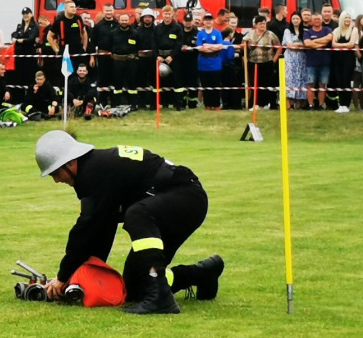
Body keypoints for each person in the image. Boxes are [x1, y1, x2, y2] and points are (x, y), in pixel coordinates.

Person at [34, 130, 223, 314]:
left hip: (186, 197)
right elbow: (101, 229)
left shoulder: (93, 172)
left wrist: (62, 277)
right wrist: (81, 274)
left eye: (56, 174)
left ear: (71, 163)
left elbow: (86, 228)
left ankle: (161, 300)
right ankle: (201, 274)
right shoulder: (95, 167)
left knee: (137, 214)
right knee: (135, 289)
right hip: (179, 203)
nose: (57, 181)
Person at [242, 14, 282, 109]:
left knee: (267, 84)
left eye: (264, 24)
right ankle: (255, 103)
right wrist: (245, 44)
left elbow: (279, 47)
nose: (263, 26)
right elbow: (243, 47)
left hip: (267, 62)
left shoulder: (270, 34)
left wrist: (274, 60)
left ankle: (267, 103)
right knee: (254, 83)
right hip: (253, 62)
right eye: (260, 24)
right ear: (255, 25)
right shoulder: (250, 34)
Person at [303, 12, 333, 110]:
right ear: (311, 21)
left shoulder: (327, 30)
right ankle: (311, 105)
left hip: (325, 63)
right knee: (310, 84)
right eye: (315, 19)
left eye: (319, 19)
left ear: (322, 20)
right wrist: (321, 44)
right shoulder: (307, 32)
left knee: (322, 85)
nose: (317, 20)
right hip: (311, 63)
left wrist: (314, 42)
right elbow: (307, 43)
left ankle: (320, 105)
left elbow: (329, 38)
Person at [195, 12, 225, 109]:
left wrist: (207, 46)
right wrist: (212, 47)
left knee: (215, 84)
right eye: (206, 20)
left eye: (210, 20)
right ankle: (207, 105)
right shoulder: (200, 34)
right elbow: (200, 48)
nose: (208, 22)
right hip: (203, 63)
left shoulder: (217, 33)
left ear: (213, 21)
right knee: (205, 85)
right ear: (203, 21)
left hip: (215, 63)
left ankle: (216, 105)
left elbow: (220, 46)